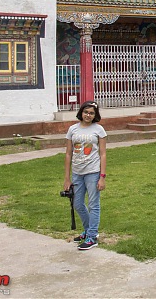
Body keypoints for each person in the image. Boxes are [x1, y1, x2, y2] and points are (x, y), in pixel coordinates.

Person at [63, 100, 107, 251]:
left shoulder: (99, 130)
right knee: (77, 204)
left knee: (93, 204)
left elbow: (103, 154)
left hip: (93, 172)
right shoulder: (72, 129)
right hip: (77, 172)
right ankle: (88, 231)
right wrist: (67, 178)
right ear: (81, 112)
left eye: (91, 113)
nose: (88, 115)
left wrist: (102, 176)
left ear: (95, 115)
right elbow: (68, 154)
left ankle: (92, 236)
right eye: (86, 112)